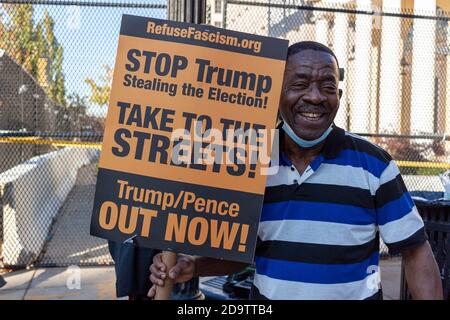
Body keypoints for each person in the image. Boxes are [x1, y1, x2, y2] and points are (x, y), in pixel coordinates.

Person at [148, 41, 443, 300]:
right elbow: (242, 253)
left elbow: (415, 250)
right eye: (300, 84)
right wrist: (194, 265)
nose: (315, 97)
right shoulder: (247, 160)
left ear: (338, 96)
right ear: (275, 93)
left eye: (328, 87)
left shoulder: (374, 164)